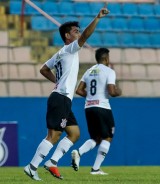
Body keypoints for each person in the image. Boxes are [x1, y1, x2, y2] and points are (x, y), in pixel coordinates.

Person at [23, 5, 109, 181]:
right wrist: (97, 18)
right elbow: (85, 36)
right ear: (67, 37)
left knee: (74, 133)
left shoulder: (60, 53)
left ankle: (52, 162)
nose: (78, 33)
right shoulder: (69, 48)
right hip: (60, 99)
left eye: (78, 31)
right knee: (53, 136)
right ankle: (32, 167)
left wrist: (58, 82)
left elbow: (44, 69)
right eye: (75, 31)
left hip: (63, 99)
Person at [71, 48, 122, 175]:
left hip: (89, 107)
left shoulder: (88, 71)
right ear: (106, 58)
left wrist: (91, 97)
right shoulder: (109, 71)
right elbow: (111, 91)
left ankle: (79, 152)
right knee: (108, 137)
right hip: (103, 107)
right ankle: (95, 169)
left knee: (96, 138)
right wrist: (118, 91)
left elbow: (78, 90)